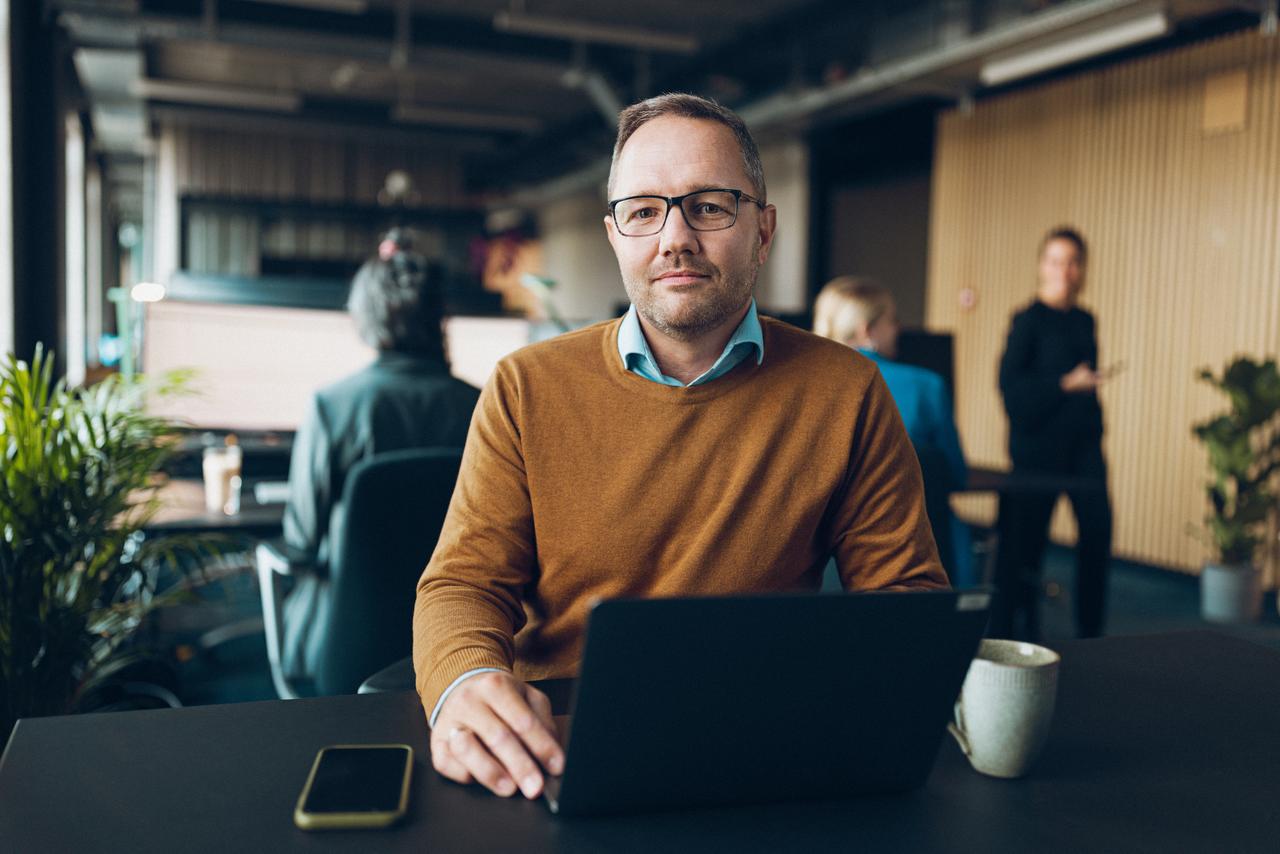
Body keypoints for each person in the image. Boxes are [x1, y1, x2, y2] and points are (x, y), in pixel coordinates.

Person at [413, 93, 949, 802]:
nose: (675, 238)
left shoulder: (846, 390)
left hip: (766, 748)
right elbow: (463, 584)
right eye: (644, 211)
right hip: (555, 746)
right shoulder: (525, 387)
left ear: (763, 228)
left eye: (709, 206)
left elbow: (905, 601)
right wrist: (466, 681)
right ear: (616, 235)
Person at [280, 230, 481, 684]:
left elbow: (302, 543)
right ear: (439, 317)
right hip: (460, 639)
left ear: (365, 317)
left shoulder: (332, 407)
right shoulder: (485, 407)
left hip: (348, 637)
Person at [812, 276, 973, 585]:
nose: (898, 329)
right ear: (866, 329)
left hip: (822, 561)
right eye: (892, 320)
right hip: (913, 556)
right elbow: (954, 474)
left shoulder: (804, 385)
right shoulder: (927, 385)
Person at [993, 226, 1113, 641]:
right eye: (1058, 260)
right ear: (1043, 266)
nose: (1066, 270)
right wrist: (1065, 384)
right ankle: (1019, 633)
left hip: (1084, 448)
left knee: (1097, 534)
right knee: (1027, 548)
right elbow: (1012, 392)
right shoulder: (1026, 321)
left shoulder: (1085, 320)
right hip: (1037, 451)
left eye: (1074, 261)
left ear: (1082, 270)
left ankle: (1092, 633)